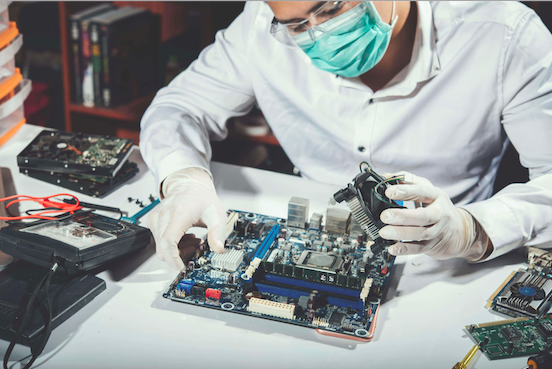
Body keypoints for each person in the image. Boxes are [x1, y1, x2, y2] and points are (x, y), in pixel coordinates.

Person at [140, 1, 552, 271]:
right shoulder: (259, 27)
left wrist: (470, 229)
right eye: (297, 25)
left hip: (452, 260)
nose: (318, 33)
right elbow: (178, 107)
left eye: (331, 6)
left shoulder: (503, 32)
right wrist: (183, 178)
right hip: (305, 234)